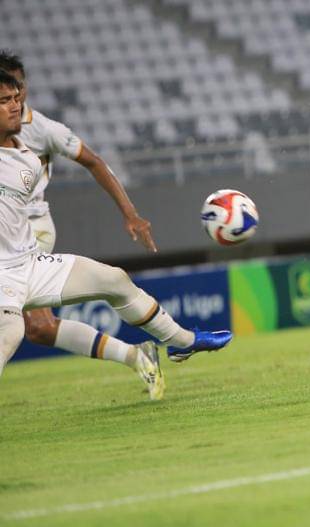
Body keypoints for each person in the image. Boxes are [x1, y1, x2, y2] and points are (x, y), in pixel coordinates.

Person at [0, 69, 232, 378]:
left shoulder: (28, 159)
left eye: (16, 98)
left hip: (28, 263)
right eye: (4, 101)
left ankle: (182, 341)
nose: (15, 106)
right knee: (13, 331)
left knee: (114, 280)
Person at [0, 51, 163, 398]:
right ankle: (137, 356)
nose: (16, 97)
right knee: (41, 329)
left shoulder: (43, 129)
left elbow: (94, 161)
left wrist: (130, 212)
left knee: (27, 323)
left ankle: (139, 356)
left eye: (18, 89)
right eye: (7, 92)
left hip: (31, 231)